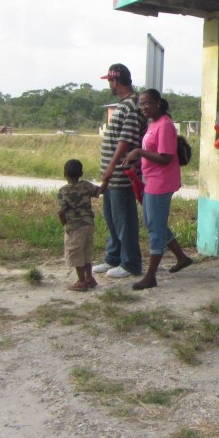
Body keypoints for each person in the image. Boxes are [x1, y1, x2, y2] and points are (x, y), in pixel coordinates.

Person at [122, 89, 193, 290]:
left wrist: (138, 151)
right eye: (141, 104)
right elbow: (153, 154)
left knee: (155, 227)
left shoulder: (165, 126)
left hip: (161, 183)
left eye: (147, 103)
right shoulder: (153, 124)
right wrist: (137, 165)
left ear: (158, 103)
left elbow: (166, 157)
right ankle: (181, 257)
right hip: (151, 179)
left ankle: (150, 276)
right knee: (154, 222)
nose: (143, 108)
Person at [92, 63, 143, 280]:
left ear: (116, 81)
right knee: (112, 218)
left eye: (110, 82)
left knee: (124, 219)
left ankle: (130, 263)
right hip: (112, 173)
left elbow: (126, 140)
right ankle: (113, 257)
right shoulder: (123, 104)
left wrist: (112, 166)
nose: (109, 86)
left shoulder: (132, 104)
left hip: (121, 173)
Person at [57, 159, 99, 292]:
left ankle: (81, 282)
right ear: (81, 173)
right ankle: (89, 278)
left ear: (64, 174)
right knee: (86, 253)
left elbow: (61, 211)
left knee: (76, 254)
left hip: (74, 227)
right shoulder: (86, 185)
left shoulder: (63, 191)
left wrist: (64, 222)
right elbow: (100, 190)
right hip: (88, 224)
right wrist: (108, 178)